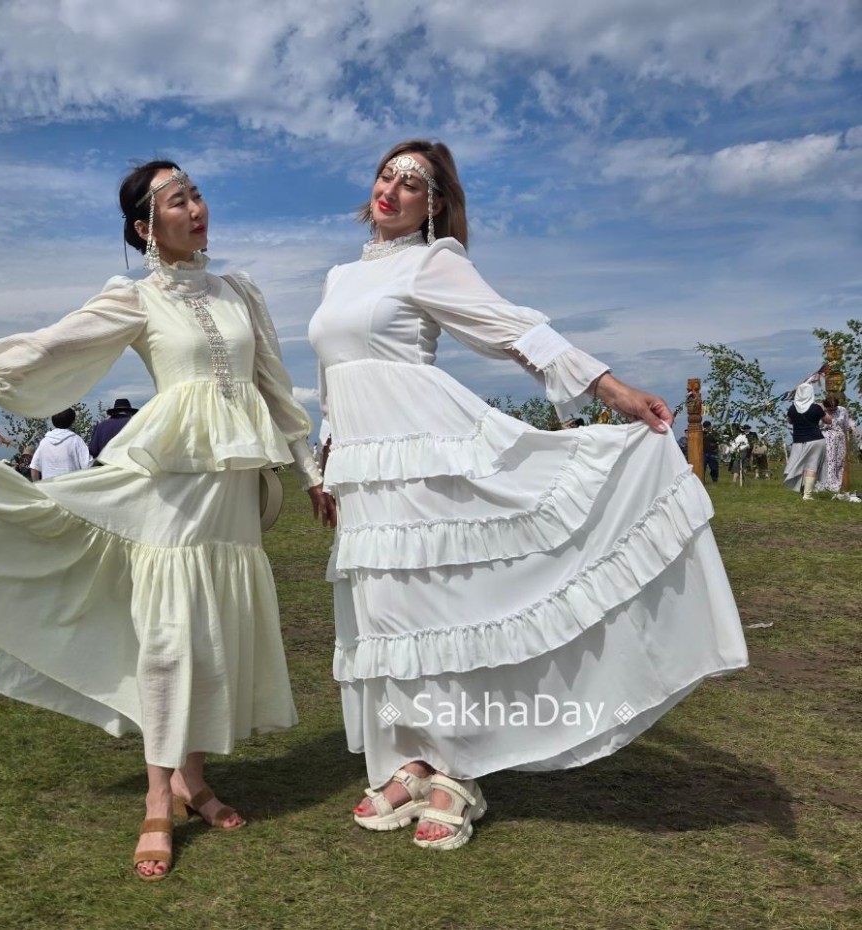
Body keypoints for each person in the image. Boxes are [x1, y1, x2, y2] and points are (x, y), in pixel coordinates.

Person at [0, 160, 329, 881]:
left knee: (209, 634)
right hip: (167, 489)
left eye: (197, 194)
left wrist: (311, 473)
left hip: (231, 494)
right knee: (168, 639)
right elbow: (46, 346)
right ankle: (158, 797)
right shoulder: (136, 298)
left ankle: (193, 779)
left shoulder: (240, 291)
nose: (196, 208)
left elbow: (275, 388)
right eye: (177, 201)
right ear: (145, 227)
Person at [308, 140, 748, 852]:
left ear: (435, 204)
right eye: (386, 175)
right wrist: (327, 461)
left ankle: (457, 771)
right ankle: (413, 757)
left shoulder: (433, 261)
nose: (391, 189)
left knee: (436, 608)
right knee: (386, 613)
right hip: (365, 467)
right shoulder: (339, 277)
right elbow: (334, 376)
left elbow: (514, 330)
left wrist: (611, 389)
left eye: (411, 183)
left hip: (425, 453)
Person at [784, 382, 827, 499]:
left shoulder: (792, 408)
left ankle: (802, 490)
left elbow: (790, 421)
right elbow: (828, 420)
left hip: (798, 440)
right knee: (811, 467)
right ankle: (807, 495)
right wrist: (823, 409)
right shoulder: (816, 408)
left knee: (800, 466)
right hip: (816, 440)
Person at [30, 408, 91, 480]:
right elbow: (88, 465)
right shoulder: (76, 440)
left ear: (53, 421)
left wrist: (37, 485)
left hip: (48, 486)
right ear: (73, 421)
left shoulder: (44, 442)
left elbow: (34, 468)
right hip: (71, 486)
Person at [818, 396, 858, 494]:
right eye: (830, 409)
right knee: (828, 461)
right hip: (826, 437)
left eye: (834, 408)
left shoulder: (842, 410)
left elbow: (847, 422)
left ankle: (836, 484)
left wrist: (853, 428)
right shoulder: (820, 410)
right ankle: (827, 485)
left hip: (840, 438)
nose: (832, 410)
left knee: (839, 461)